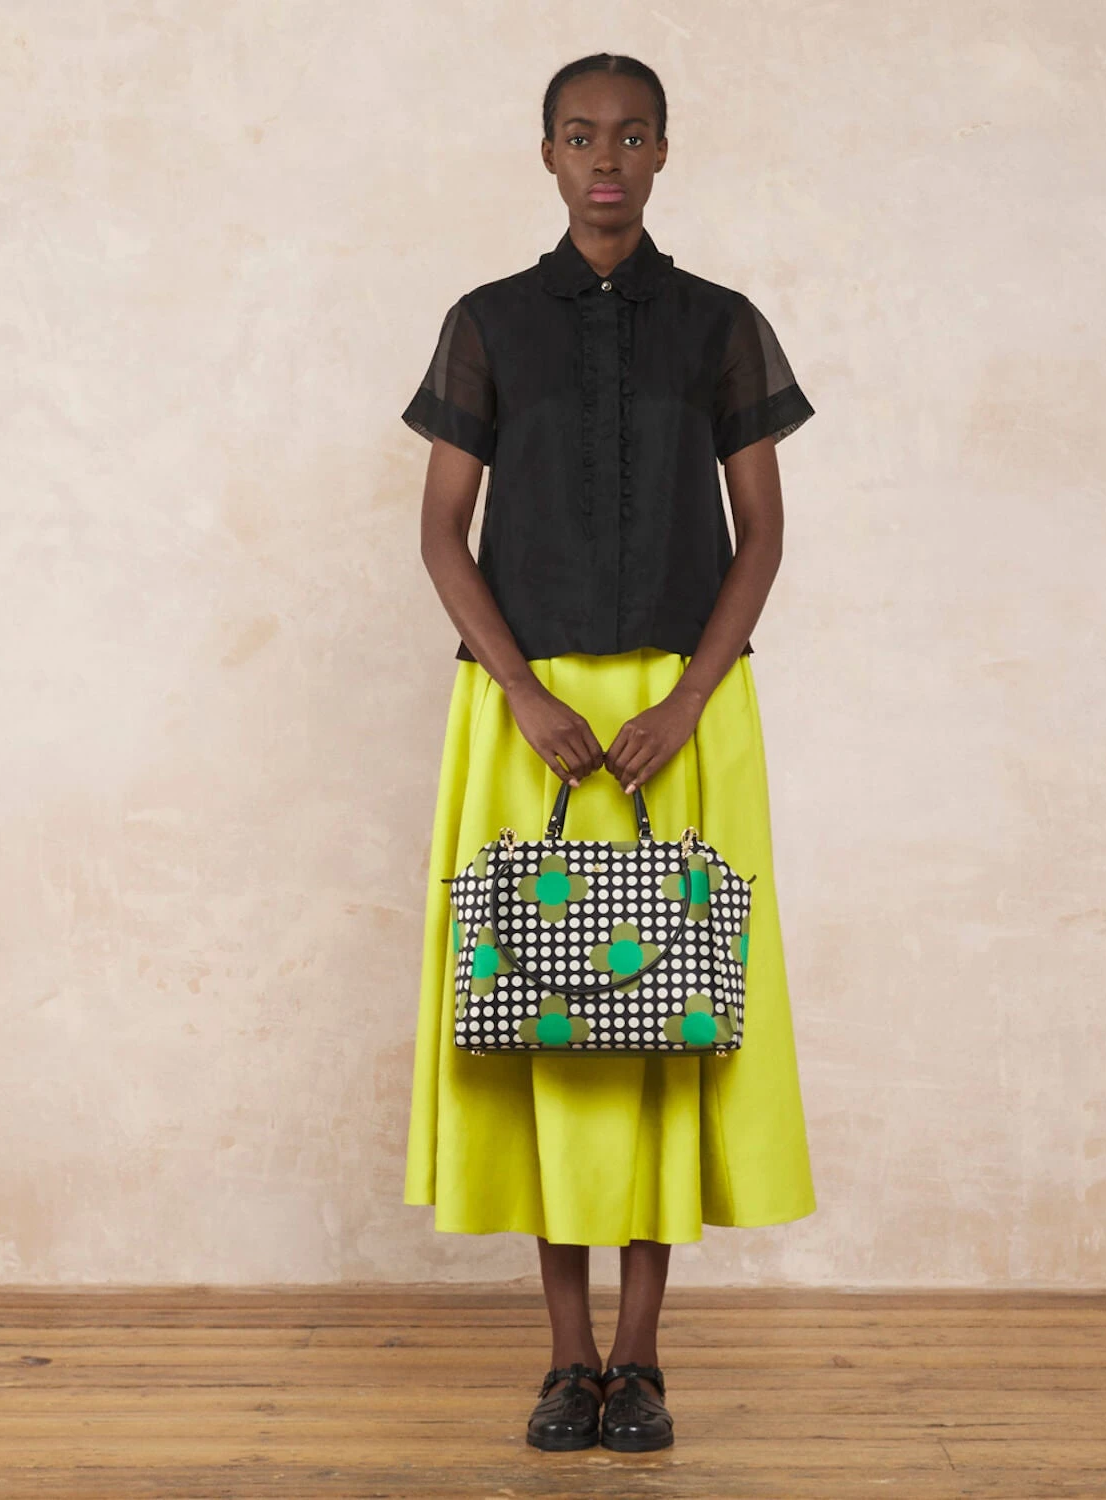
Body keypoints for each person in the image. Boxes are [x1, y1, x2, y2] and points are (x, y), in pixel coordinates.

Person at [399, 51, 818, 1454]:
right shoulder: (487, 324)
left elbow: (762, 536)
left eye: (632, 137)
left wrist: (689, 699)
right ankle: (563, 1357)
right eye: (580, 136)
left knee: (666, 1023)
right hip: (530, 718)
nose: (606, 162)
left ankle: (640, 1360)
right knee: (548, 1018)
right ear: (545, 153)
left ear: (663, 152)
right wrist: (521, 693)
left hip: (677, 716)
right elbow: (441, 534)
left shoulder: (721, 326)